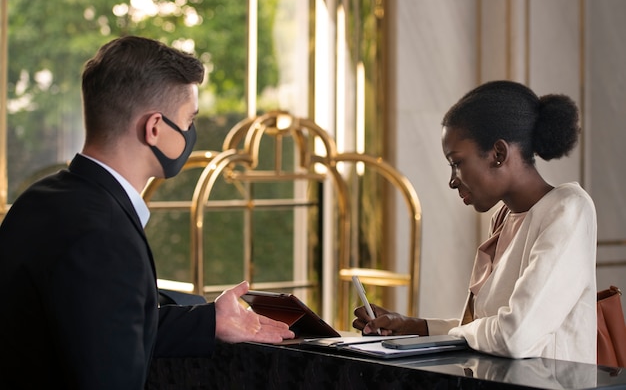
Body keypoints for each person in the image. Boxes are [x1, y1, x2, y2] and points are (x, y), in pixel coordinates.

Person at [0, 36, 294, 389]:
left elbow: (99, 325)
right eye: (188, 120)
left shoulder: (39, 199)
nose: (190, 133)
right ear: (154, 128)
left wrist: (210, 321)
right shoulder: (105, 233)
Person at [353, 80, 597, 364]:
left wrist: (444, 331)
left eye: (457, 162)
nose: (452, 180)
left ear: (498, 154)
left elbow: (513, 335)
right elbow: (484, 325)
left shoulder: (568, 209)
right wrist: (412, 326)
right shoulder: (504, 218)